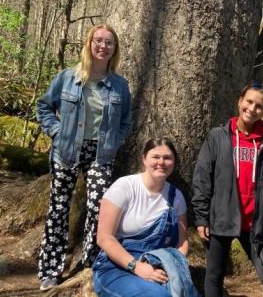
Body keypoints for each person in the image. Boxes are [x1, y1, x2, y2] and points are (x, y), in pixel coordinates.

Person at [36, 24, 132, 290]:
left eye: (109, 42)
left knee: (98, 207)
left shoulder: (119, 86)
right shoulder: (68, 77)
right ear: (90, 44)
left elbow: (126, 121)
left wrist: (116, 140)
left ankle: (88, 262)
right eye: (98, 41)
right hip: (66, 150)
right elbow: (44, 107)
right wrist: (56, 132)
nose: (103, 46)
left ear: (114, 49)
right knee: (58, 208)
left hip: (100, 154)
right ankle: (49, 269)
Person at [192, 81, 263, 297]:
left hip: (256, 224)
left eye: (259, 106)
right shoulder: (218, 136)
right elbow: (202, 177)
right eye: (249, 102)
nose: (252, 109)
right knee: (214, 276)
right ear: (240, 100)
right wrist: (201, 218)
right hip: (221, 219)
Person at [92, 138, 198, 297]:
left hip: (158, 267)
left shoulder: (176, 197)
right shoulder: (125, 186)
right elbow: (104, 238)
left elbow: (182, 242)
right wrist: (137, 267)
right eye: (155, 157)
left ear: (174, 162)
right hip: (116, 267)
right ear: (144, 159)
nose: (161, 162)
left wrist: (171, 266)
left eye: (167, 158)